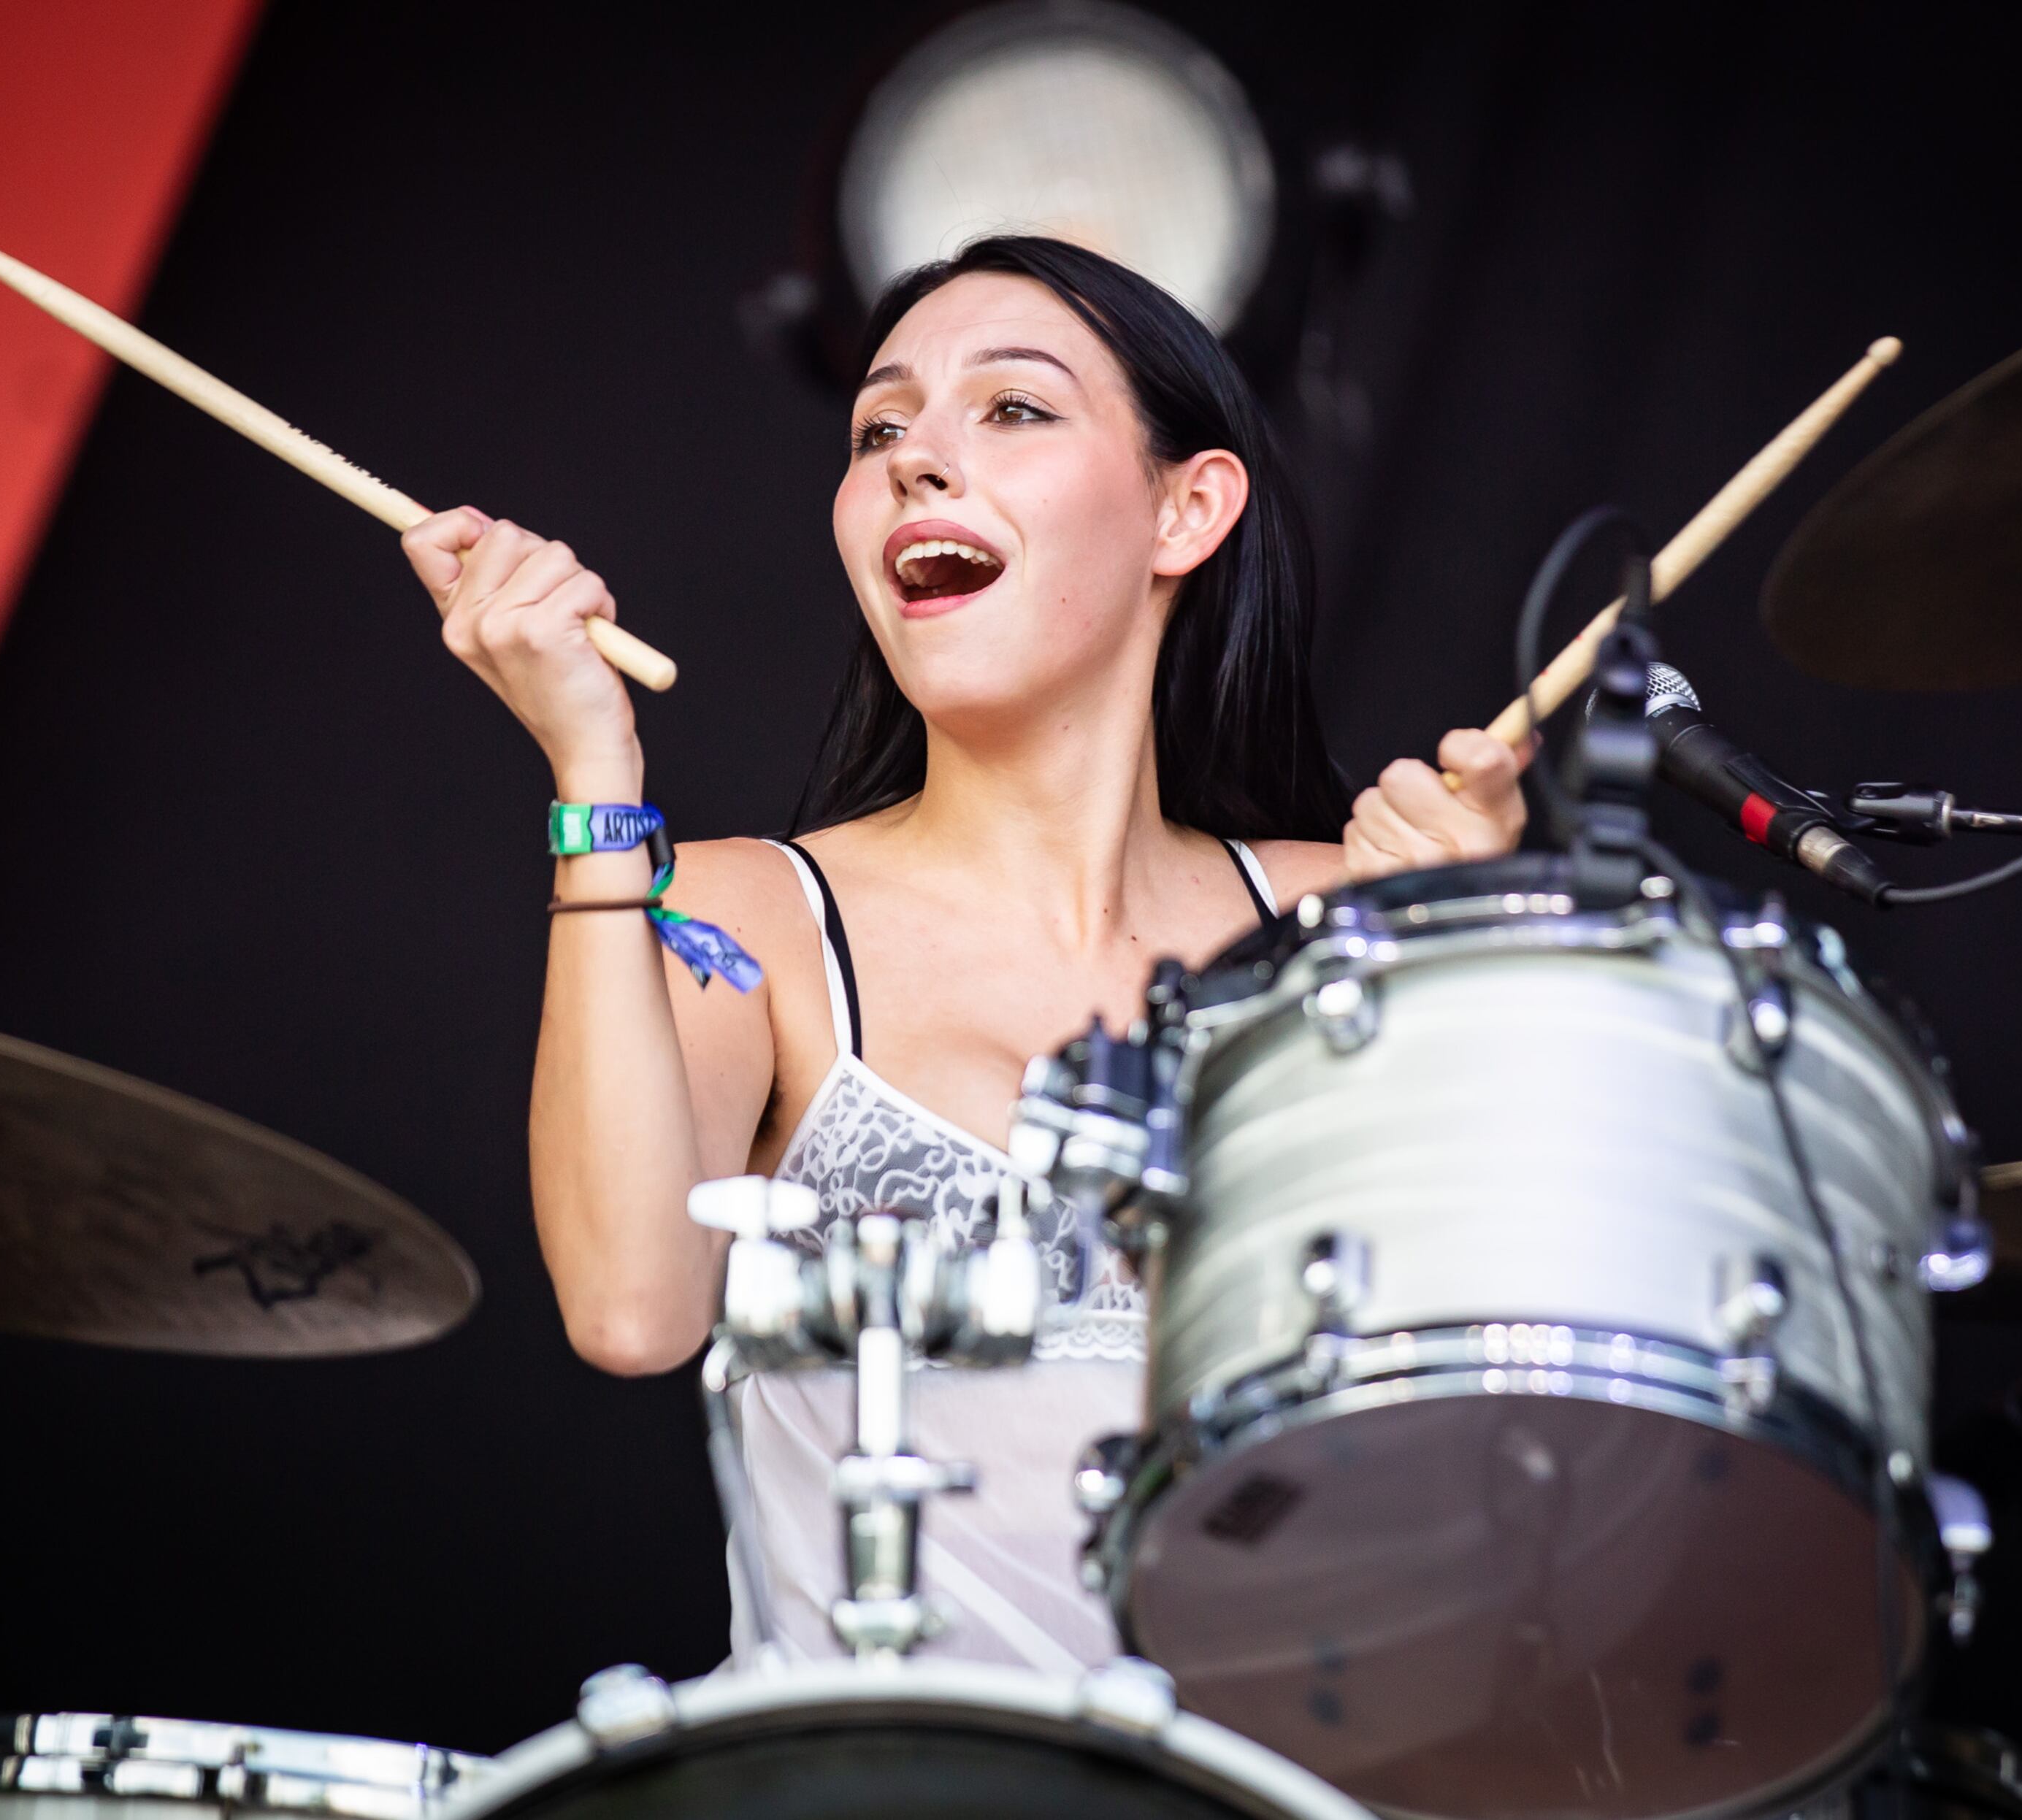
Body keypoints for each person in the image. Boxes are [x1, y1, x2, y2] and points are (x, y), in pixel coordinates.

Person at [402, 237, 1529, 1670]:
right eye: (881, 428)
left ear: (1190, 509)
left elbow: (1525, 1422)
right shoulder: (745, 918)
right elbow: (633, 1307)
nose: (917, 461)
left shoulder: (1351, 914)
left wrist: (1473, 967)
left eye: (1011, 408)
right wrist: (591, 761)